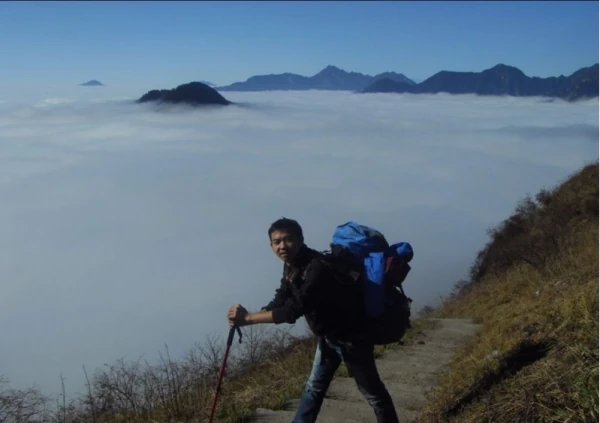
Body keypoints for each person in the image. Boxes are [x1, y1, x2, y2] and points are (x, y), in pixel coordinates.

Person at [227, 217, 400, 423]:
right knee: (314, 388)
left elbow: (292, 311)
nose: (283, 246)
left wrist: (247, 318)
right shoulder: (292, 265)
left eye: (288, 239)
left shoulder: (316, 268)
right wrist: (254, 313)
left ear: (301, 239)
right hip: (329, 337)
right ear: (271, 245)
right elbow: (282, 298)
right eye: (277, 242)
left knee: (373, 394)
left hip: (353, 338)